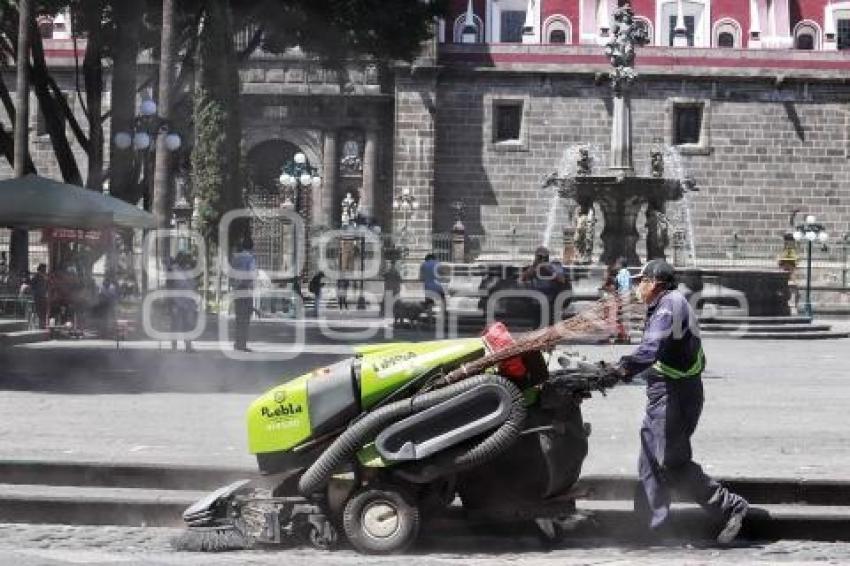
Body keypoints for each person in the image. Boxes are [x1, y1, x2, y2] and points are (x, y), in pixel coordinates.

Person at [611, 259, 749, 544]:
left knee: (667, 461)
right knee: (654, 461)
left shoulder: (667, 306)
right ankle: (651, 526)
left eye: (642, 281)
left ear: (656, 283)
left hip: (674, 395)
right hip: (670, 392)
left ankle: (729, 507)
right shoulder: (668, 302)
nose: (638, 286)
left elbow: (651, 349)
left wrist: (622, 368)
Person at [520, 246, 570, 325]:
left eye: (544, 257)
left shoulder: (554, 266)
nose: (542, 259)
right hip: (537, 302)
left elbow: (562, 280)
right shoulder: (532, 268)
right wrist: (535, 266)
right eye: (539, 257)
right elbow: (523, 278)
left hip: (552, 301)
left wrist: (548, 269)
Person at [231, 237, 257, 352]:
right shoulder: (250, 258)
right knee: (245, 318)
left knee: (239, 318)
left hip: (237, 290)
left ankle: (237, 343)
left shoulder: (235, 258)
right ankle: (242, 344)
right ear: (252, 247)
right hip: (246, 289)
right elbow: (252, 274)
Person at [167, 253, 198, 352]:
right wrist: (170, 302)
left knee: (187, 324)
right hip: (177, 301)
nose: (186, 263)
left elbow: (193, 286)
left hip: (187, 302)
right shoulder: (174, 270)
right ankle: (174, 346)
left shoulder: (189, 271)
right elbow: (170, 287)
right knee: (176, 324)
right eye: (184, 260)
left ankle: (187, 345)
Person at [419, 253, 445, 320]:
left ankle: (429, 318)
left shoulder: (423, 265)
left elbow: (421, 278)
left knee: (429, 303)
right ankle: (443, 315)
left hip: (428, 287)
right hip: (438, 286)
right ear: (433, 258)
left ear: (427, 259)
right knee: (443, 300)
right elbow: (442, 275)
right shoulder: (438, 264)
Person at [30, 264, 48, 329]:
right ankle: (40, 325)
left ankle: (42, 324)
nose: (45, 270)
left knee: (43, 311)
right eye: (44, 268)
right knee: (39, 311)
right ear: (41, 269)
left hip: (43, 296)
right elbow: (32, 286)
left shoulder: (45, 276)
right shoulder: (36, 276)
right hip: (38, 296)